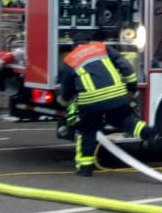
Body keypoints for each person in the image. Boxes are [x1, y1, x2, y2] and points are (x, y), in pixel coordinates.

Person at [58, 29, 151, 176]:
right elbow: (125, 65)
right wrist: (132, 86)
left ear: (73, 45)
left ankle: (85, 168)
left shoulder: (70, 60)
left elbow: (66, 89)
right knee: (123, 120)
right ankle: (148, 132)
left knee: (87, 131)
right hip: (116, 95)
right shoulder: (101, 48)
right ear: (88, 42)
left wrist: (64, 104)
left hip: (90, 101)